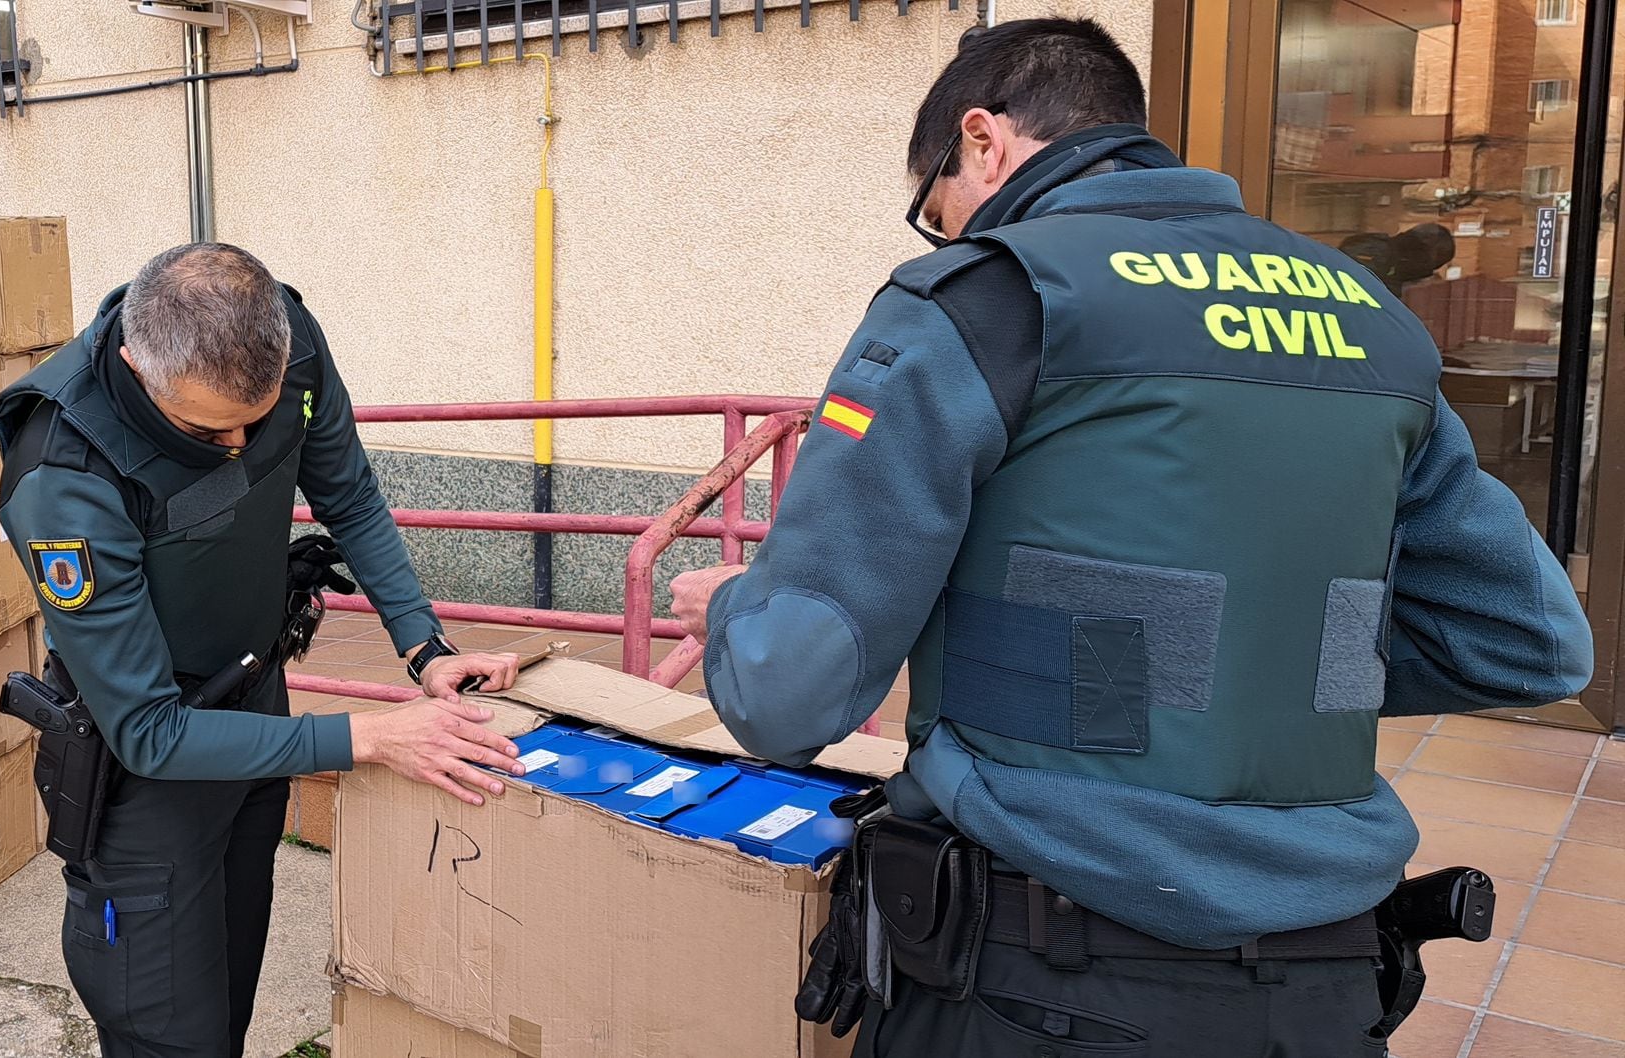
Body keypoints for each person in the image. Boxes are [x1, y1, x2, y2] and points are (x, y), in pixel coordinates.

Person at [669, 18, 1593, 1057]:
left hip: (1040, 976)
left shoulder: (986, 299)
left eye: (938, 209)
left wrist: (733, 613)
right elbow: (1527, 642)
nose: (946, 233)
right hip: (1326, 988)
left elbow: (790, 691)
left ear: (984, 140)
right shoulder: (1369, 318)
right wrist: (1241, 660)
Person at [0, 242, 529, 1058]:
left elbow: (346, 491)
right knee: (172, 1033)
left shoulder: (286, 338)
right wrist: (369, 736)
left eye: (259, 414)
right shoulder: (66, 472)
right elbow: (149, 731)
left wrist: (424, 646)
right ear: (138, 365)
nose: (240, 443)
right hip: (146, 776)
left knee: (230, 997)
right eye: (209, 427)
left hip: (253, 706)